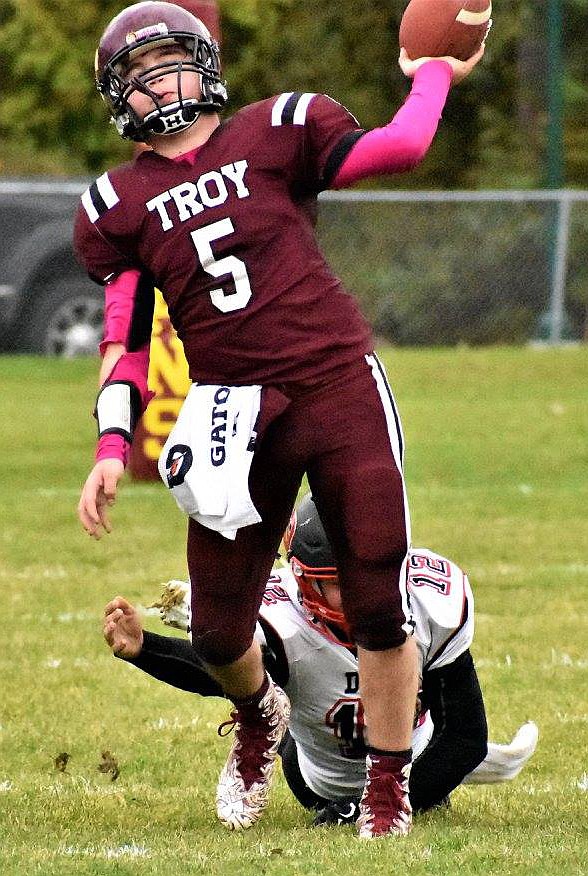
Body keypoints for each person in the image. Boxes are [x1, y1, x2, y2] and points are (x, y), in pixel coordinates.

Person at [76, 1, 486, 837]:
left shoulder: (280, 126)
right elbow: (122, 339)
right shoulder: (114, 203)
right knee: (223, 629)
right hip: (232, 406)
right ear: (121, 101)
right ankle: (260, 717)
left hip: (335, 379)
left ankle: (385, 789)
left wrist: (435, 73)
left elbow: (401, 147)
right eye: (142, 75)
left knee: (377, 595)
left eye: (173, 62)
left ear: (207, 64)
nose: (163, 84)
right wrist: (111, 446)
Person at [103, 494, 538, 824]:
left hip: (415, 760)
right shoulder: (281, 617)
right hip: (319, 777)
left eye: (371, 573)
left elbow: (462, 736)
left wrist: (407, 792)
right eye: (340, 580)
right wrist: (148, 649)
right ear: (304, 579)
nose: (362, 589)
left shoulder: (430, 600)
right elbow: (224, 674)